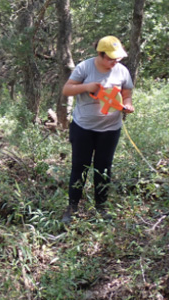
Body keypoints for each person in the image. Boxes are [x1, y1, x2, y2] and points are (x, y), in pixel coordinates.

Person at [61, 36, 134, 224]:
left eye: (117, 58)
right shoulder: (85, 68)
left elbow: (127, 93)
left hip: (110, 129)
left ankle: (101, 208)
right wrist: (87, 86)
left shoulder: (122, 71)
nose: (115, 62)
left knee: (103, 167)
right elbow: (67, 90)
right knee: (80, 167)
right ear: (100, 55)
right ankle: (72, 208)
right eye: (111, 58)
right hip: (83, 127)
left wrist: (127, 105)